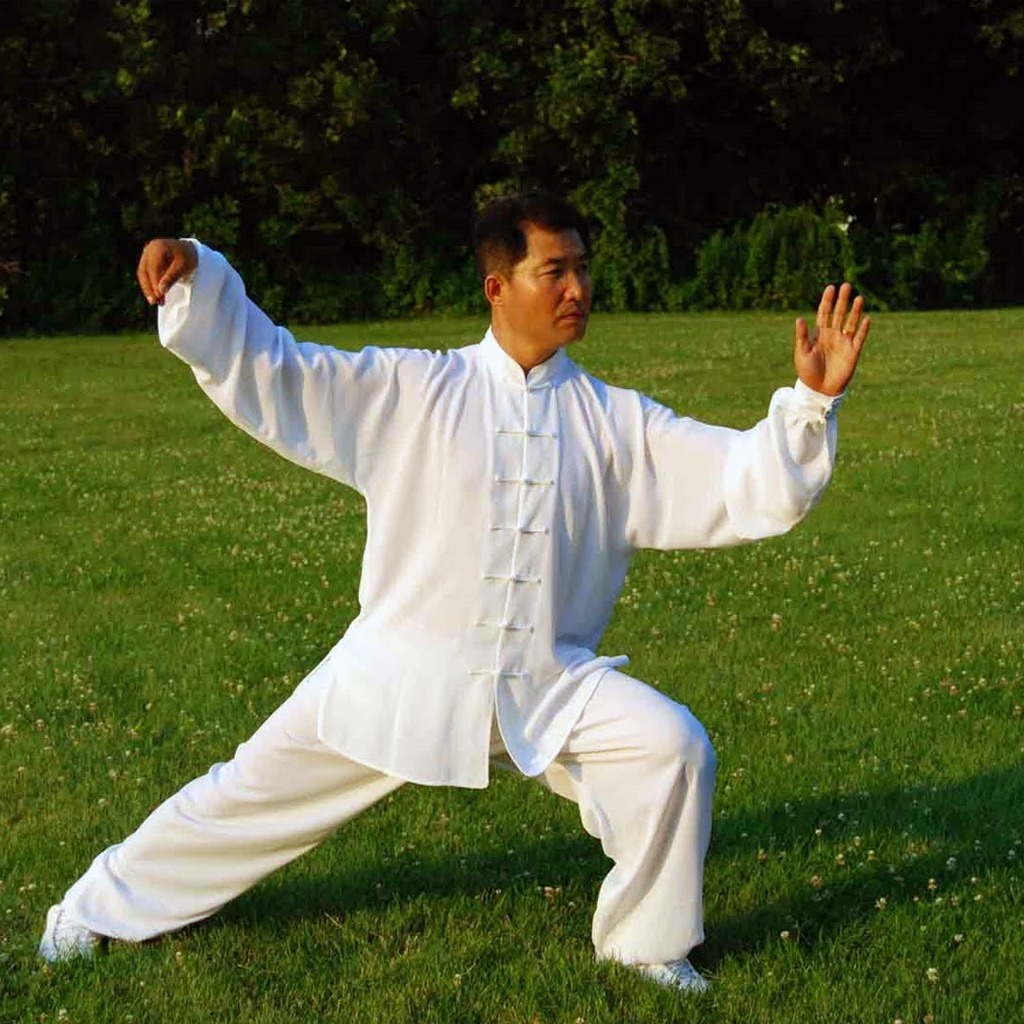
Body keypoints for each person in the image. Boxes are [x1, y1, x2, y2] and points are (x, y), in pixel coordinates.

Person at [39, 191, 869, 993]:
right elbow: (279, 370)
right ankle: (94, 911)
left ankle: (647, 947)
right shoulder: (411, 390)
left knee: (670, 747)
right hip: (399, 673)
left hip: (545, 683)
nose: (578, 288)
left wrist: (811, 403)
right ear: (497, 286)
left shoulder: (618, 422)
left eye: (582, 267)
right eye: (555, 271)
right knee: (246, 796)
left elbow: (738, 478)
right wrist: (196, 277)